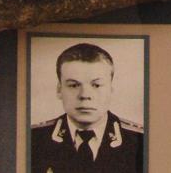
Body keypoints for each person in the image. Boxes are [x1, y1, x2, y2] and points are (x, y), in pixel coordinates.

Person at [30, 43, 143, 173]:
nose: (84, 95)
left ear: (111, 89)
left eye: (96, 85)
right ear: (59, 90)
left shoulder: (141, 141)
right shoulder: (33, 140)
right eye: (73, 85)